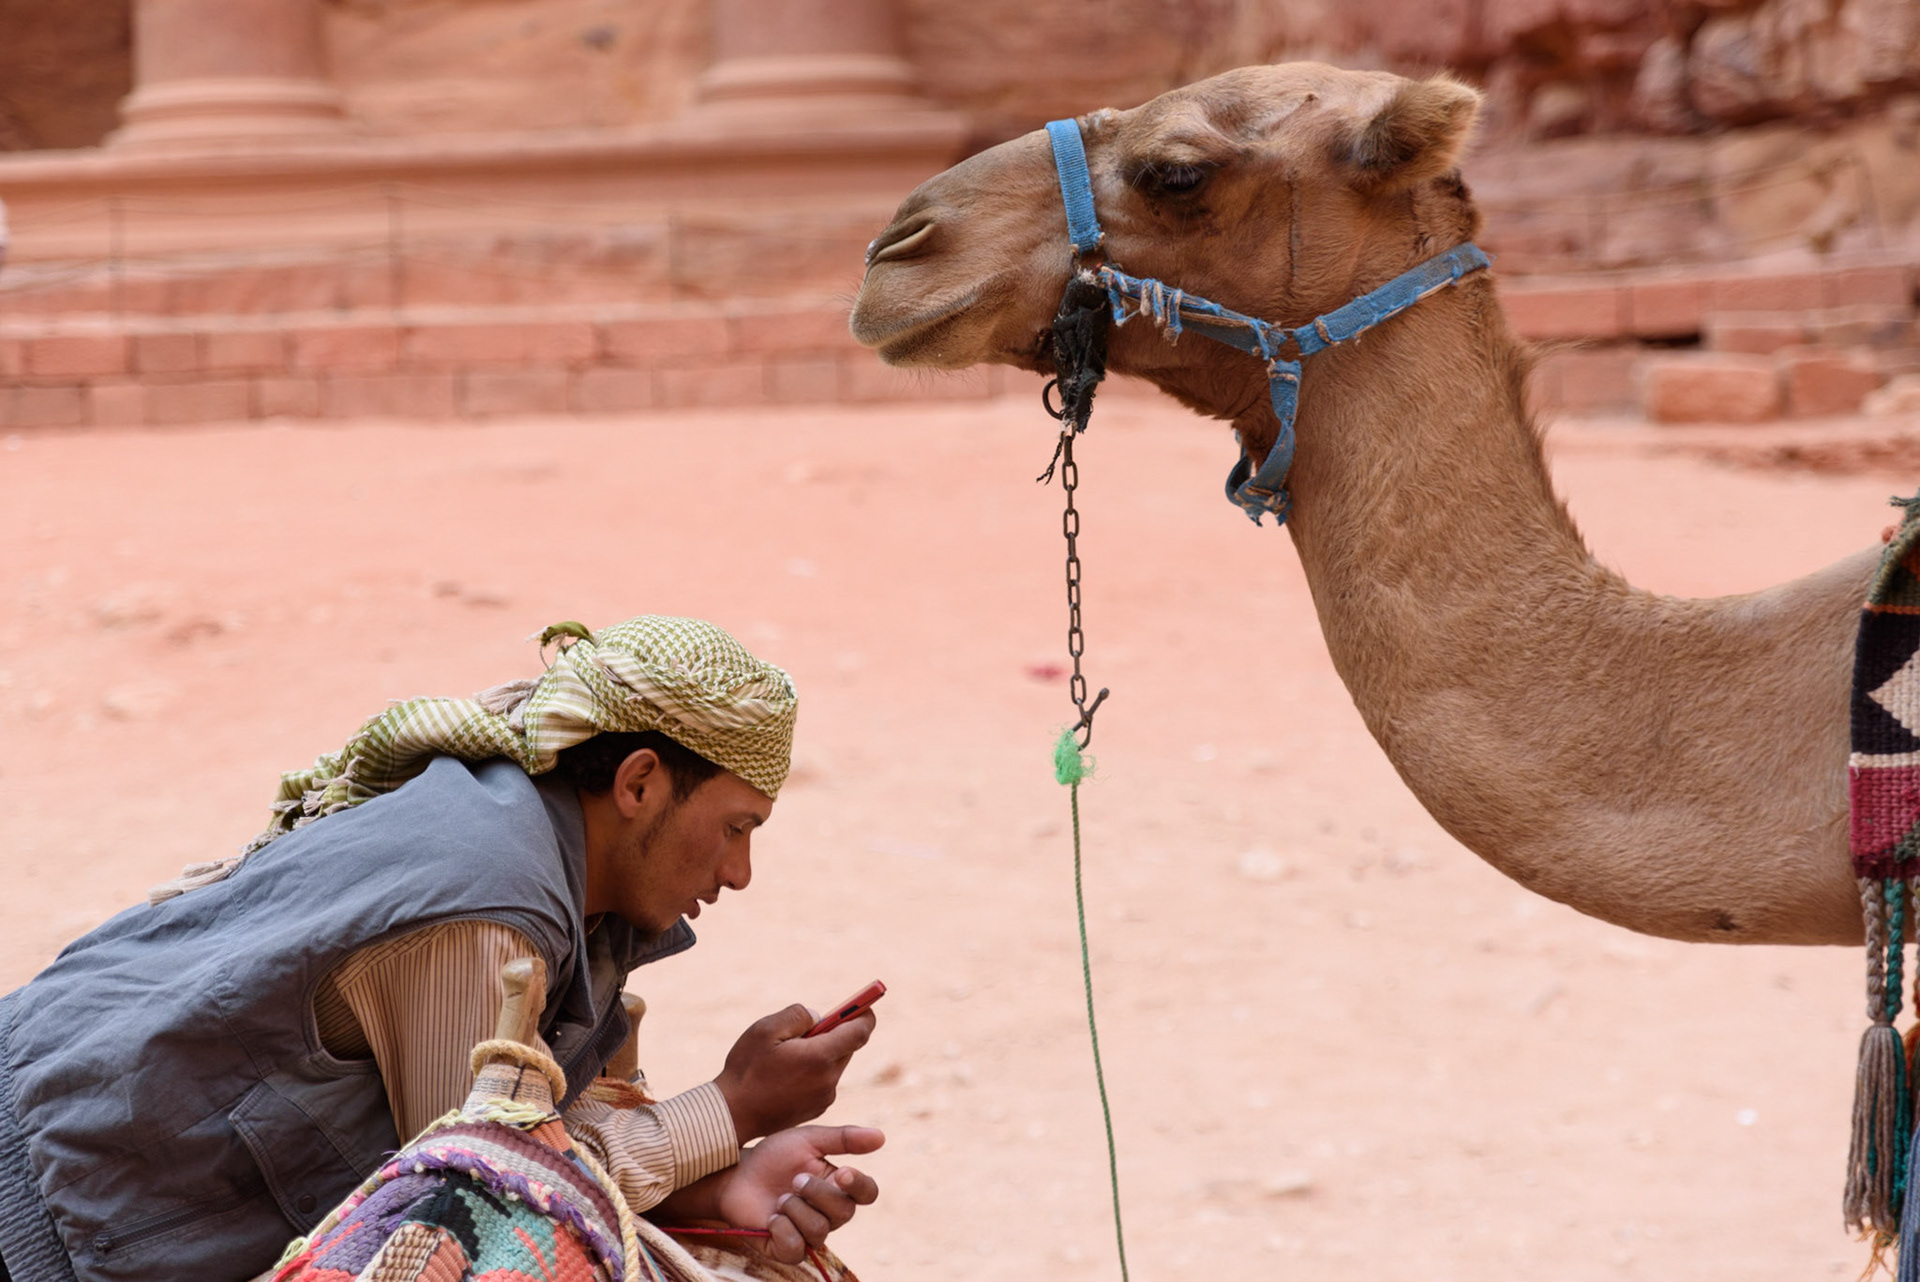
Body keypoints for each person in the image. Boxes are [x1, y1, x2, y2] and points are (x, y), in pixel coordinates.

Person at [0, 616, 882, 1282]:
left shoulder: (548, 853)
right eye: (735, 828)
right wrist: (729, 1108)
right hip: (42, 1215)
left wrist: (715, 1184)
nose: (738, 872)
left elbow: (521, 1131)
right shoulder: (487, 901)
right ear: (640, 782)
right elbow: (477, 1199)